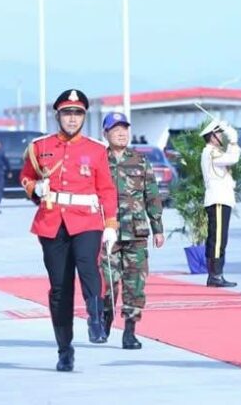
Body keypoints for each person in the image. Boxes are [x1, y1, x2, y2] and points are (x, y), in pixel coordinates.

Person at [19, 89, 119, 372]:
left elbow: (106, 189)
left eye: (77, 114)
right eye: (67, 113)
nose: (72, 119)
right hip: (52, 222)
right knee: (60, 288)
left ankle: (96, 319)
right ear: (58, 116)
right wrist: (34, 188)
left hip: (86, 220)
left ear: (84, 117)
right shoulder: (40, 146)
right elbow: (26, 175)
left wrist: (111, 224)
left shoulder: (96, 149)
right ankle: (64, 349)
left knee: (88, 265)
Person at [100, 112, 164, 350]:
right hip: (107, 231)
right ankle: (105, 316)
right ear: (105, 134)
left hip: (136, 232)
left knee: (135, 283)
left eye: (124, 129)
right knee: (107, 282)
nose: (121, 133)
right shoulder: (98, 161)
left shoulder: (140, 160)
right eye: (115, 129)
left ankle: (129, 331)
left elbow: (152, 195)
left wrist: (158, 228)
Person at [201, 118, 241, 287]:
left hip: (221, 199)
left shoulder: (213, 152)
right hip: (217, 200)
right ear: (212, 136)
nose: (221, 136)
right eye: (219, 133)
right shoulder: (211, 152)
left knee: (218, 238)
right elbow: (233, 158)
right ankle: (215, 275)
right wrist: (233, 140)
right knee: (218, 239)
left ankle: (216, 274)